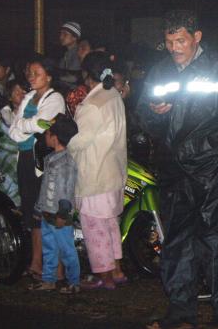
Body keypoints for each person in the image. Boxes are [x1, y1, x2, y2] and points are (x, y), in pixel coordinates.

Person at [137, 10, 218, 329]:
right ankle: (180, 313)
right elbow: (144, 114)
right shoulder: (160, 71)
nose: (174, 47)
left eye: (180, 40)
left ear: (197, 38)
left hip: (212, 168)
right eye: (169, 41)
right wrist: (156, 114)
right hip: (173, 171)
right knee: (177, 245)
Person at [67, 51, 127, 290]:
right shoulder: (113, 95)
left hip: (94, 173)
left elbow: (79, 140)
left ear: (86, 74)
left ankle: (105, 276)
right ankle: (118, 270)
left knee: (94, 227)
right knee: (110, 224)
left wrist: (62, 138)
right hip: (112, 171)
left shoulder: (93, 103)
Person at [8, 56, 66, 280]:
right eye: (29, 72)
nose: (31, 76)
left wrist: (25, 125)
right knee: (32, 212)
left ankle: (57, 270)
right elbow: (15, 131)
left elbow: (41, 124)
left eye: (36, 72)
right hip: (25, 157)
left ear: (49, 76)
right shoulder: (30, 97)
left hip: (45, 161)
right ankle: (36, 264)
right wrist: (28, 125)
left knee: (49, 213)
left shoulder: (55, 98)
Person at [28, 114, 80, 294]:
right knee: (49, 248)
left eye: (48, 132)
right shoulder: (51, 159)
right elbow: (45, 188)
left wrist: (63, 214)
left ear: (55, 137)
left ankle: (74, 283)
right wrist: (38, 209)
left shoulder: (65, 163)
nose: (45, 135)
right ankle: (49, 280)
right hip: (47, 213)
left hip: (59, 215)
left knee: (66, 250)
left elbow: (66, 190)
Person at [0, 79, 27, 206]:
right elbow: (1, 140)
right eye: (16, 91)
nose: (21, 94)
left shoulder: (35, 117)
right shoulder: (1, 116)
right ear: (9, 96)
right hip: (5, 158)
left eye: (23, 90)